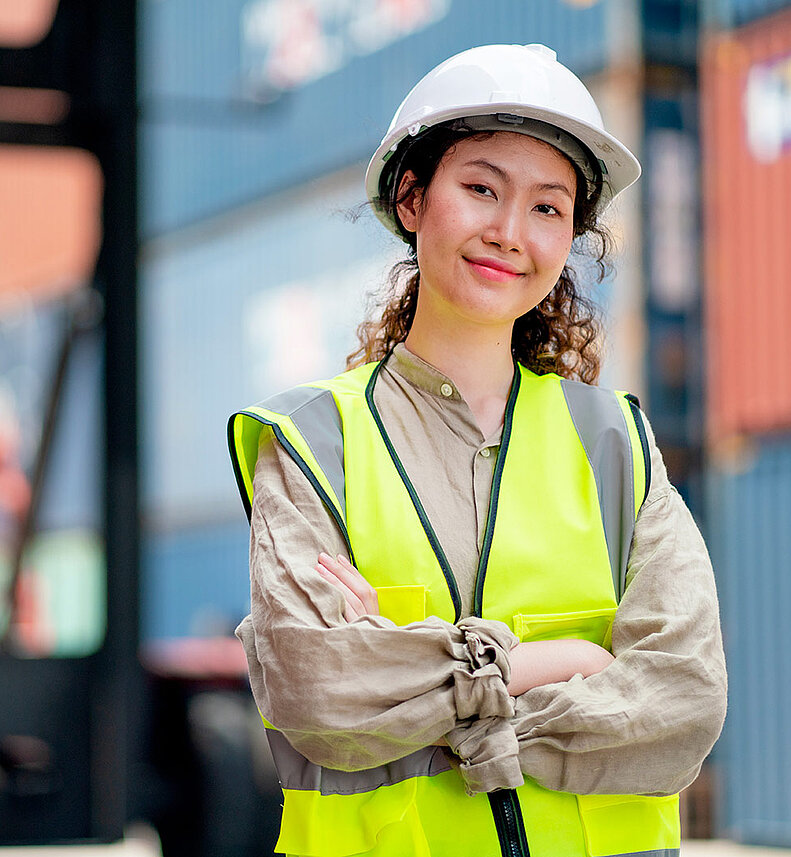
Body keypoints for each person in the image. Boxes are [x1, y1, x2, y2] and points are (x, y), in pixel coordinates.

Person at [228, 44, 727, 857]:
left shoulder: (618, 444)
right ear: (414, 196)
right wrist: (563, 660)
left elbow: (681, 704)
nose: (507, 231)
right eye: (481, 188)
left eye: (546, 207)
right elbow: (321, 693)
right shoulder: (314, 444)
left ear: (571, 237)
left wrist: (411, 669)